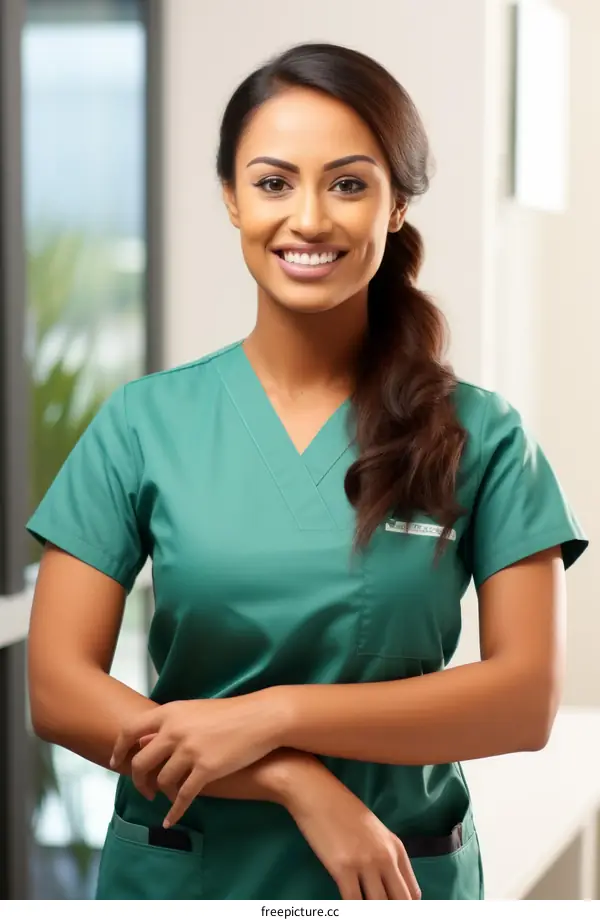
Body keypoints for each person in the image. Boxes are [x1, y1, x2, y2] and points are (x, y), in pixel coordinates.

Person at [26, 41, 588, 901]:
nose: (310, 219)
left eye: (350, 184)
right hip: (185, 878)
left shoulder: (480, 436)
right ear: (231, 199)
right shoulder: (144, 424)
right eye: (274, 181)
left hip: (398, 879)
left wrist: (272, 714)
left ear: (396, 205)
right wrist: (293, 777)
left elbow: (522, 702)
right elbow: (60, 690)